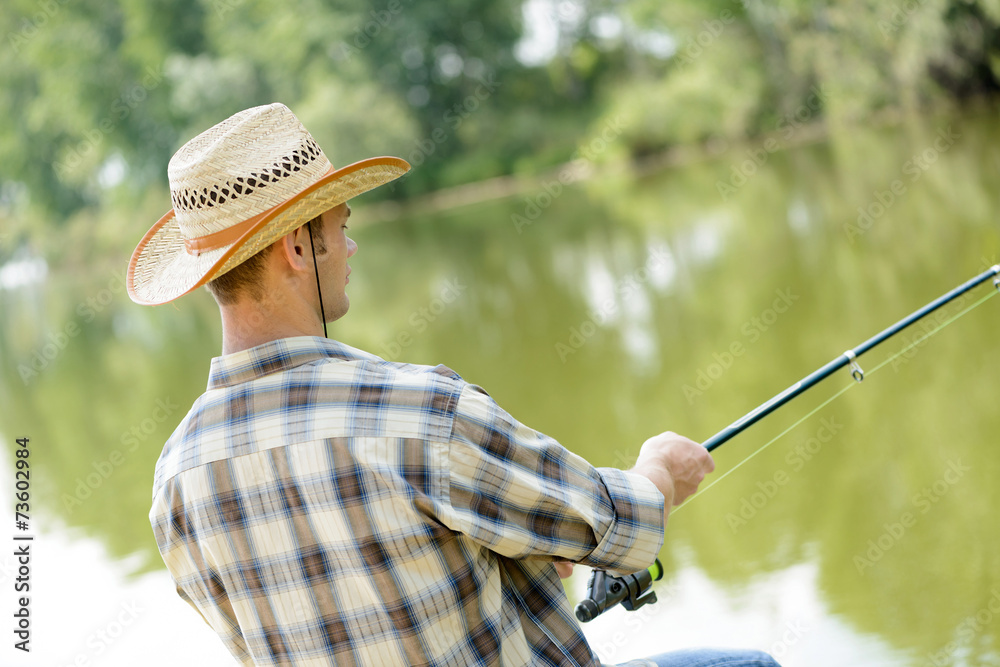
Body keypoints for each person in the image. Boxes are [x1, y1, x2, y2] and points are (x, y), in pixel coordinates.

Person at [127, 103, 779, 667]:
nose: (349, 249)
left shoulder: (174, 485)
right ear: (297, 247)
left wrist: (515, 561)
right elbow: (619, 526)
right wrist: (660, 469)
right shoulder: (419, 413)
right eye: (340, 228)